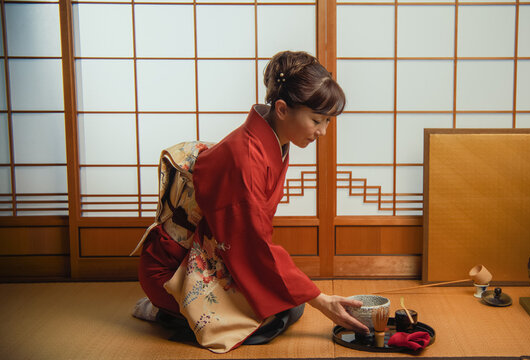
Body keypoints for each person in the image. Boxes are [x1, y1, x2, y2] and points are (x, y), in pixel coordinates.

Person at [133, 50, 369, 351]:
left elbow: (250, 236)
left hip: (216, 251)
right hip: (174, 267)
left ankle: (176, 312)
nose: (322, 132)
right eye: (316, 120)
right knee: (272, 320)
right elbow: (252, 242)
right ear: (282, 109)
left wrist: (307, 295)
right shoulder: (244, 157)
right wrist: (320, 300)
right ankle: (165, 310)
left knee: (289, 307)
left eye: (327, 122)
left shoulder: (273, 139)